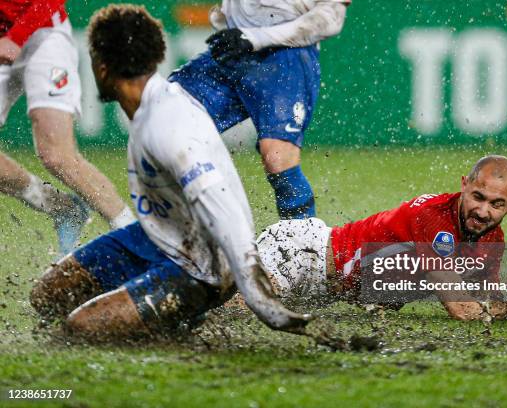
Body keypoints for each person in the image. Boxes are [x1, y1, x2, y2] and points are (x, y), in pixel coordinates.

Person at [29, 4, 311, 342]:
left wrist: (259, 298)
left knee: (81, 328)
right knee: (46, 296)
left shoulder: (168, 125)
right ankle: (149, 303)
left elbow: (223, 208)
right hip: (157, 237)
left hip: (201, 268)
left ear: (101, 69)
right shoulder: (152, 103)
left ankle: (176, 320)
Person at [256, 155, 507, 322]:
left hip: (323, 292)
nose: (483, 211)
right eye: (478, 196)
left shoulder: (492, 241)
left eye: (497, 204)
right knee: (231, 309)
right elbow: (463, 308)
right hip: (301, 255)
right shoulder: (434, 219)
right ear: (464, 184)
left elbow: (487, 301)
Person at [169, 0, 350, 219]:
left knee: (278, 156)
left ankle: (303, 246)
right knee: (168, 114)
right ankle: (183, 237)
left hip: (287, 54)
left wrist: (256, 37)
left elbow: (331, 18)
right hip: (234, 47)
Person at [0, 0, 136, 254]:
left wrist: (16, 37)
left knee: (57, 156)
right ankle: (62, 208)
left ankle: (134, 238)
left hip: (43, 34)